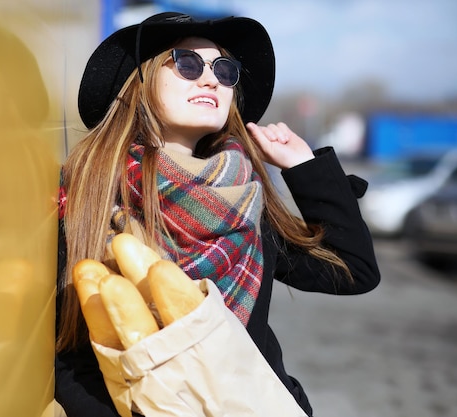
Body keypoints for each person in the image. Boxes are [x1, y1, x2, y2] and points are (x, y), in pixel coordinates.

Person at [55, 11, 380, 417]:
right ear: (139, 80)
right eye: (187, 64)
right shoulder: (93, 194)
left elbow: (353, 270)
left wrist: (303, 167)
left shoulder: (243, 203)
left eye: (225, 70)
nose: (210, 79)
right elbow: (66, 357)